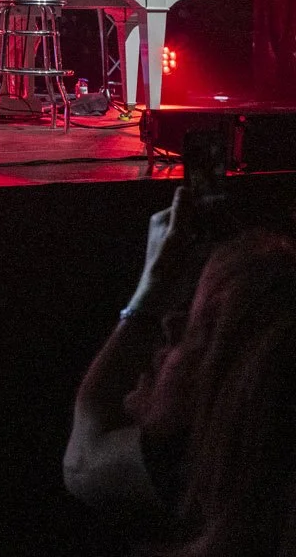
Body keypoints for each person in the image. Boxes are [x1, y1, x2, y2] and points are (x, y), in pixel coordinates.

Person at [65, 188, 296, 555]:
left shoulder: (188, 463)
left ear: (224, 380)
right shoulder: (246, 460)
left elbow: (82, 461)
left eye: (195, 327)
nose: (170, 323)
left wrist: (148, 292)